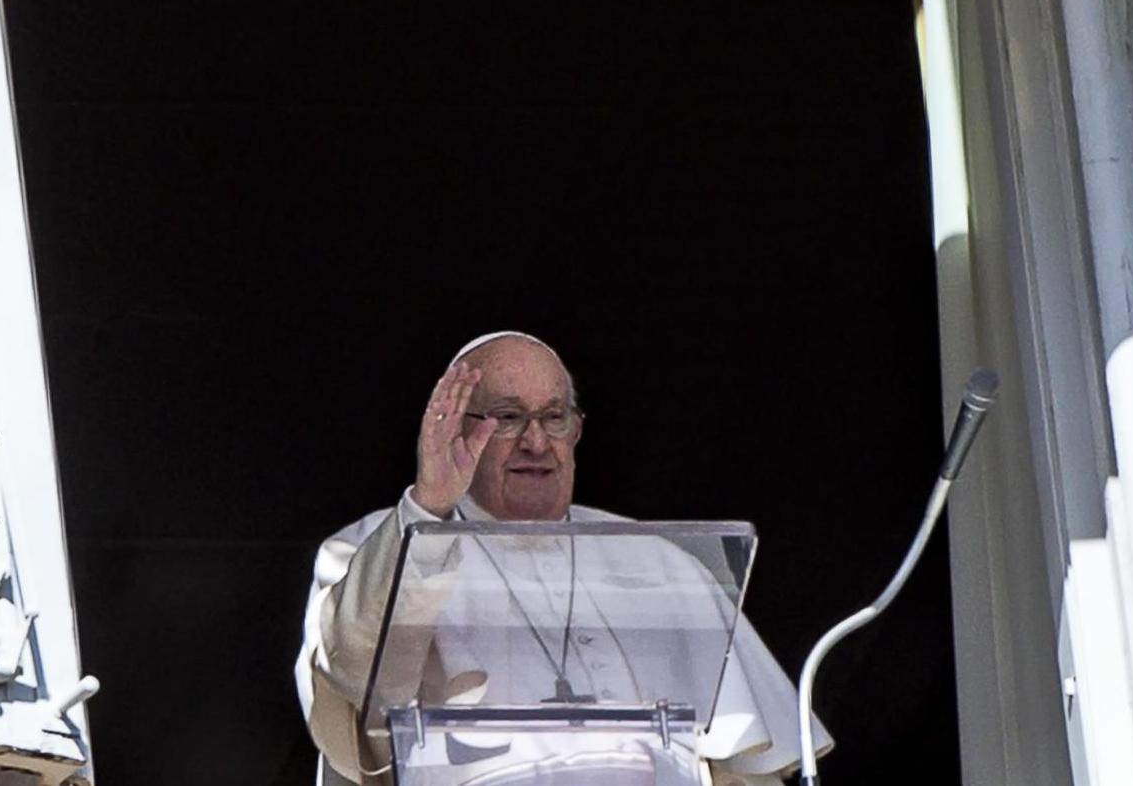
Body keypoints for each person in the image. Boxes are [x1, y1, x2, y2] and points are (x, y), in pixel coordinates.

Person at [295, 332, 831, 786]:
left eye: (554, 417)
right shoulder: (383, 543)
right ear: (456, 429)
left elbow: (746, 765)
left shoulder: (661, 563)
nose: (536, 441)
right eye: (507, 418)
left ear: (575, 431)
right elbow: (353, 672)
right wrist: (430, 506)